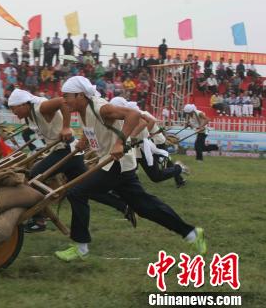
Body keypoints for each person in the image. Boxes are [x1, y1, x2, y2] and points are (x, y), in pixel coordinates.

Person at [55, 76, 207, 262]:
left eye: (66, 96)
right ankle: (191, 233)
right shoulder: (84, 110)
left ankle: (81, 247)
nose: (63, 100)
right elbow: (94, 130)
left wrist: (120, 143)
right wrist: (83, 143)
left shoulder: (100, 107)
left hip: (116, 164)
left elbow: (134, 115)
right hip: (117, 164)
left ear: (80, 95)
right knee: (145, 207)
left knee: (76, 192)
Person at [7, 88, 136, 233]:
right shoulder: (30, 115)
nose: (13, 113)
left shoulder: (41, 107)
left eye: (14, 108)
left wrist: (66, 127)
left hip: (65, 151)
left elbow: (62, 102)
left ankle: (38, 220)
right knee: (85, 189)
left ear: (23, 104)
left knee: (33, 177)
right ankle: (122, 205)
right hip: (71, 154)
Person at [109, 97, 188, 188]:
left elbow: (144, 122)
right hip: (136, 148)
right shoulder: (124, 116)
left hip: (144, 147)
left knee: (157, 175)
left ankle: (178, 169)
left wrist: (133, 136)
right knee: (128, 171)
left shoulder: (135, 114)